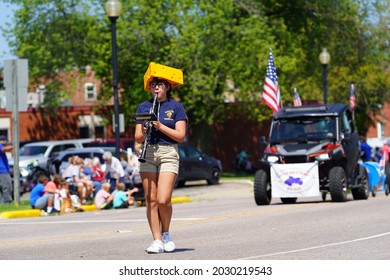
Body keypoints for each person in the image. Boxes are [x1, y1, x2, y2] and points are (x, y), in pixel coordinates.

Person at [134, 63, 187, 254]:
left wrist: (160, 126)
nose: (156, 87)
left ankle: (166, 233)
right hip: (148, 154)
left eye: (160, 84)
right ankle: (156, 240)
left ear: (167, 87)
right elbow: (137, 137)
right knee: (151, 199)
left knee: (164, 199)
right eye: (153, 84)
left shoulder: (176, 107)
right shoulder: (143, 107)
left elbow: (180, 136)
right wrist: (146, 128)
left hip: (168, 153)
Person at [0, 135, 13, 204]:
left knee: (2, 189)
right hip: (2, 171)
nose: (4, 142)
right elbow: (4, 149)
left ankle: (2, 204)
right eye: (3, 140)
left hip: (3, 171)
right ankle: (7, 202)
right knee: (7, 187)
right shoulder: (0, 146)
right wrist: (13, 146)